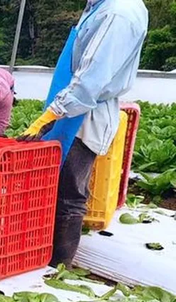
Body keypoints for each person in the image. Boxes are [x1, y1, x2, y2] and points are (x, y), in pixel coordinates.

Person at [19, 0, 148, 267]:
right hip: (73, 108)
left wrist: (50, 115)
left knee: (69, 193)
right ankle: (40, 255)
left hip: (83, 115)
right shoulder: (101, 7)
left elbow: (90, 80)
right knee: (54, 188)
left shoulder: (118, 12)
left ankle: (58, 266)